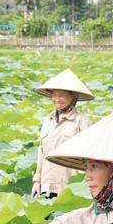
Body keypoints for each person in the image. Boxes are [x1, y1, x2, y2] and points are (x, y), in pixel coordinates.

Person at [31, 68, 94, 199]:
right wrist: (37, 180)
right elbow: (42, 151)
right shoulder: (47, 120)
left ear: (73, 96)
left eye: (61, 95)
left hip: (70, 190)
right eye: (54, 95)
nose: (56, 99)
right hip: (47, 186)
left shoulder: (82, 122)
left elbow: (91, 158)